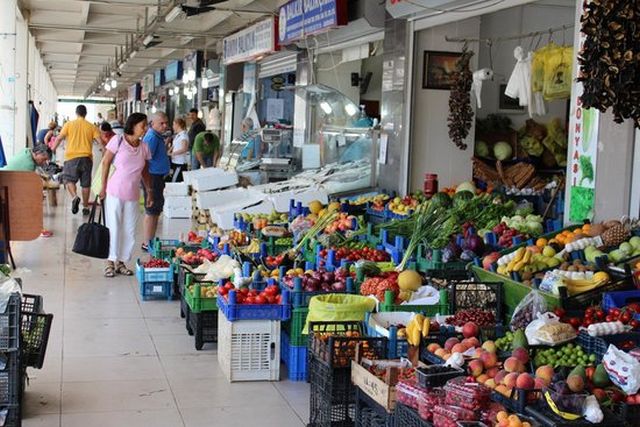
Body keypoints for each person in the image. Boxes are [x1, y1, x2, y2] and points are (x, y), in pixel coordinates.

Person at [98, 113, 154, 278]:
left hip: (133, 194)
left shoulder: (144, 147)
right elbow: (106, 162)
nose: (145, 129)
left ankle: (121, 262)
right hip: (114, 192)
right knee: (113, 227)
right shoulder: (118, 140)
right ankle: (109, 261)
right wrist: (103, 187)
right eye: (142, 125)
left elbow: (145, 171)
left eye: (146, 125)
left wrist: (149, 191)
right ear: (133, 125)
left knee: (129, 230)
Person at [52, 104, 100, 215]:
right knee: (86, 184)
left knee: (69, 180)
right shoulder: (91, 126)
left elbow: (59, 137)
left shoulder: (69, 124)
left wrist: (53, 149)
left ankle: (74, 197)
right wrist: (106, 153)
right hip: (87, 158)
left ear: (76, 113)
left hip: (71, 157)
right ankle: (86, 207)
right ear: (85, 114)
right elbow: (100, 141)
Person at [141, 111, 170, 252]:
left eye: (166, 123)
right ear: (153, 123)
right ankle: (147, 242)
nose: (165, 126)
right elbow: (145, 160)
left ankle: (150, 241)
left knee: (156, 210)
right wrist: (148, 188)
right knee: (151, 210)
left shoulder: (158, 137)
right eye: (161, 123)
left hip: (158, 177)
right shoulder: (152, 137)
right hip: (152, 178)